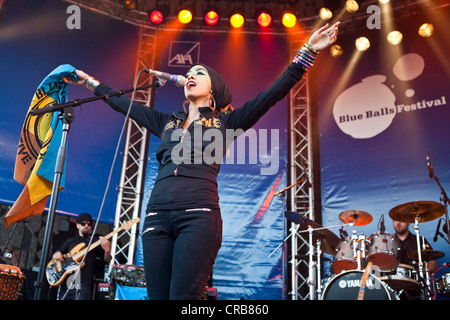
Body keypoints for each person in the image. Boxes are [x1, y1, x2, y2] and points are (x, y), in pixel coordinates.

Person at [63, 22, 340, 300]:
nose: (190, 75)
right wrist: (89, 82)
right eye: (188, 73)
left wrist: (307, 51)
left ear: (213, 90)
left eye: (199, 73)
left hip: (198, 216)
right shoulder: (168, 121)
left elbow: (272, 95)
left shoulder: (226, 123)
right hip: (156, 217)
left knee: (185, 297)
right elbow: (125, 105)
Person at [52, 213, 111, 300]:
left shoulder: (94, 242)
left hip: (83, 284)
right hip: (67, 282)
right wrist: (57, 254)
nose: (86, 225)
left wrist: (107, 250)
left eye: (89, 224)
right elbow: (56, 254)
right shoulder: (70, 240)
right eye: (83, 223)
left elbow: (108, 261)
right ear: (77, 225)